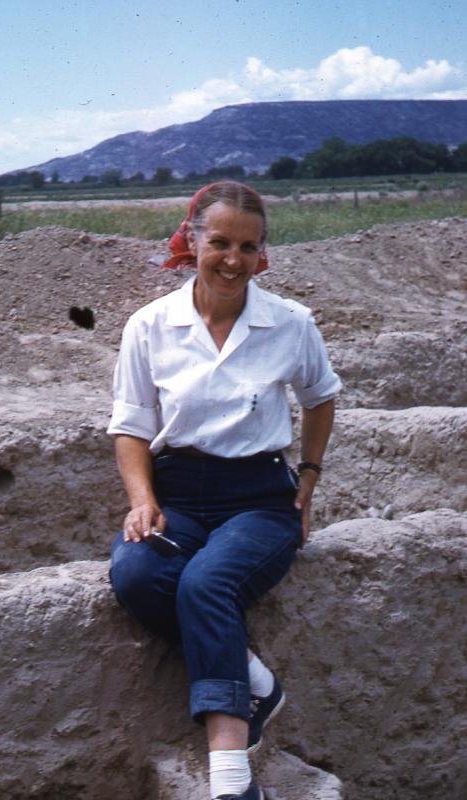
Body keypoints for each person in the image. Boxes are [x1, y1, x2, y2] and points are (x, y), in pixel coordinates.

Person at [108, 181, 341, 800]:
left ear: (262, 253)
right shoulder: (150, 325)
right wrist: (142, 500)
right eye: (219, 242)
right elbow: (131, 426)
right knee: (134, 572)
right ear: (191, 240)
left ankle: (231, 782)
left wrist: (309, 478)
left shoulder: (290, 323)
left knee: (206, 581)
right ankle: (253, 678)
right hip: (177, 493)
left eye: (248, 246)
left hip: (260, 498)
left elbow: (321, 398)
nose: (233, 259)